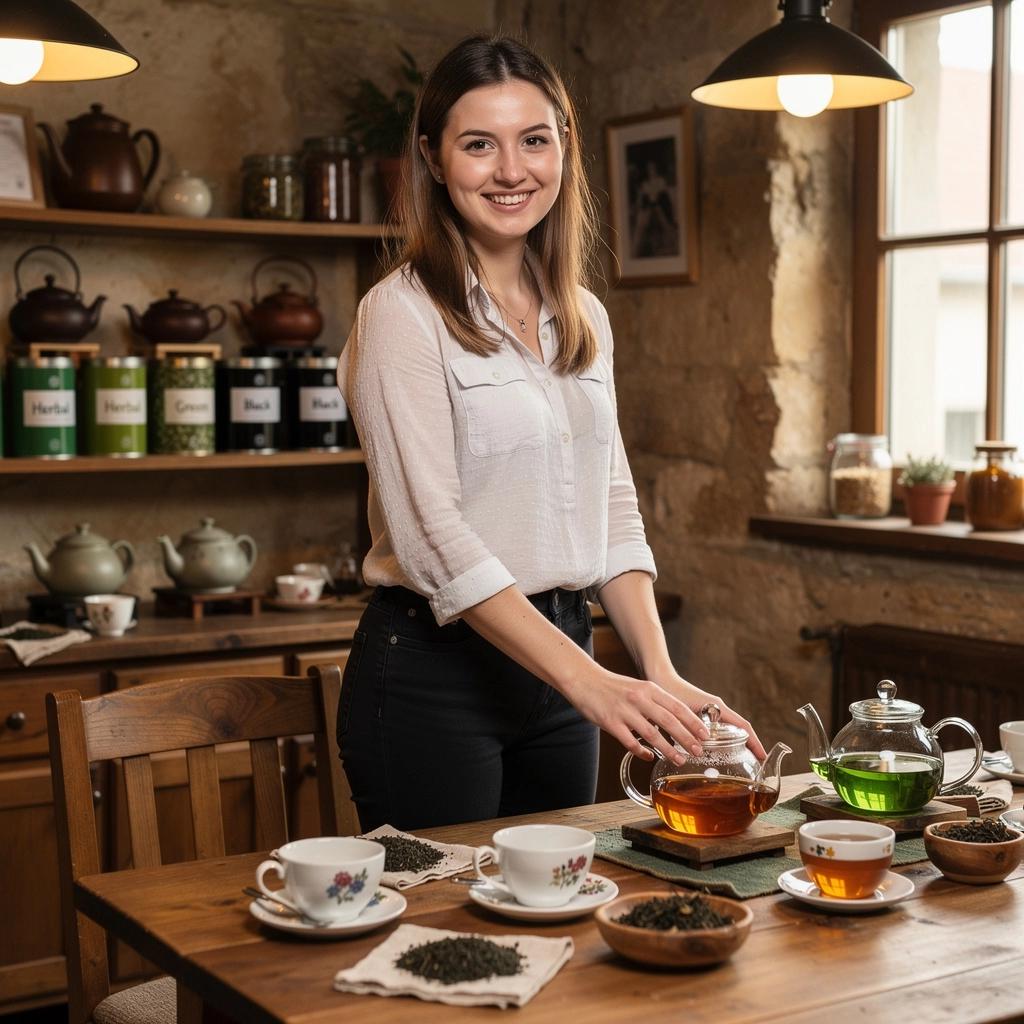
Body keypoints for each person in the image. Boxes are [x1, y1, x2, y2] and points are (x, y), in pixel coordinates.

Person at [337, 35, 764, 832]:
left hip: (564, 669)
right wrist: (591, 682)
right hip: (436, 678)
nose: (511, 171)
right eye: (478, 145)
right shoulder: (400, 314)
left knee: (558, 913)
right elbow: (433, 539)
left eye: (534, 140)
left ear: (564, 145)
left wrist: (657, 672)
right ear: (433, 158)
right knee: (440, 935)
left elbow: (610, 504)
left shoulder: (583, 314)